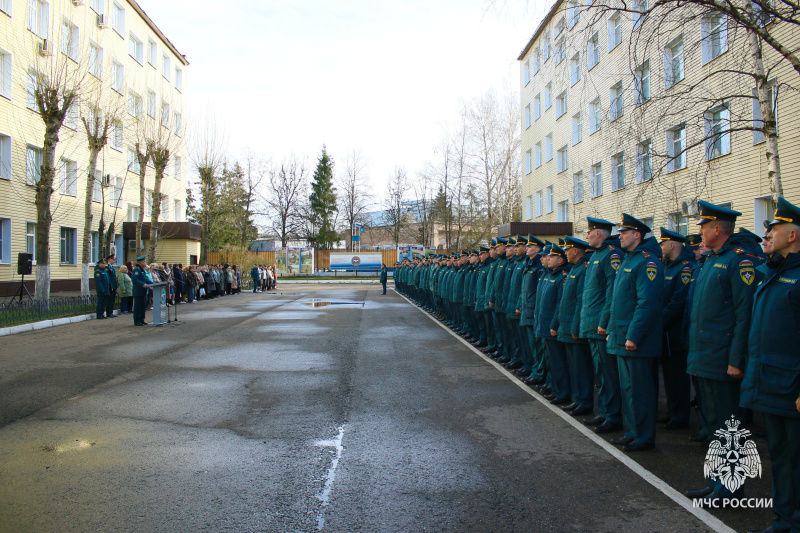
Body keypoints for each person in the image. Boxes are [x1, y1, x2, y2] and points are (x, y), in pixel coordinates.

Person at [686, 201, 763, 502]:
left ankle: (731, 487)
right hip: (704, 357)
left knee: (730, 426)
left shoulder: (738, 262)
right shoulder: (709, 261)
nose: (700, 231)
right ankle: (718, 481)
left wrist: (736, 360)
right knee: (717, 425)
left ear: (718, 229)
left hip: (722, 360)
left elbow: (745, 315)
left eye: (703, 226)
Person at [741, 197, 800, 533]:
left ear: (792, 235)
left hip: (792, 386)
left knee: (795, 457)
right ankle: (784, 518)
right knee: (779, 454)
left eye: (775, 227)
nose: (769, 232)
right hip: (770, 381)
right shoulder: (775, 272)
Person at [607, 213, 664, 452]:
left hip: (636, 340)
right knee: (628, 388)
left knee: (640, 390)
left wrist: (634, 335)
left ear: (637, 235)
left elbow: (647, 304)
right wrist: (612, 330)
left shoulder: (647, 262)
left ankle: (644, 435)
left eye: (624, 232)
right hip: (621, 335)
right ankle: (632, 432)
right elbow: (618, 301)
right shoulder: (630, 259)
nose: (620, 236)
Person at [580, 217, 624, 433]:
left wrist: (604, 322)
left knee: (608, 374)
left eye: (589, 232)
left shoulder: (612, 255)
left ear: (598, 233)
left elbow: (611, 292)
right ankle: (605, 412)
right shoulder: (597, 255)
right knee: (601, 373)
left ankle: (614, 415)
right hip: (591, 323)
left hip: (600, 325)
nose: (586, 236)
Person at [658, 228, 695, 431]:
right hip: (665, 331)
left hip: (675, 331)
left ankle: (680, 416)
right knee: (669, 376)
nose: (661, 247)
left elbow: (678, 302)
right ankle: (672, 411)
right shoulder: (667, 266)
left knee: (678, 376)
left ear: (672, 245)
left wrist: (658, 322)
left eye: (663, 244)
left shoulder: (685, 268)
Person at [130, 255, 150, 326]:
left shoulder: (142, 270)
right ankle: (137, 320)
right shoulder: (137, 269)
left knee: (143, 306)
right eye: (144, 261)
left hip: (143, 292)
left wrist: (152, 283)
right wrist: (142, 284)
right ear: (140, 262)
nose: (145, 263)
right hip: (138, 291)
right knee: (138, 306)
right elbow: (135, 279)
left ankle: (142, 320)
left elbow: (144, 279)